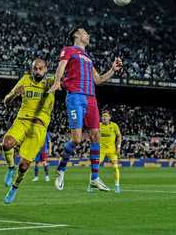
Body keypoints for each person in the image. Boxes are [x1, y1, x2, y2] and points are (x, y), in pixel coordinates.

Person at [48, 25, 122, 191]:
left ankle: (94, 178)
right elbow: (61, 66)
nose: (88, 35)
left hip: (91, 99)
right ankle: (61, 169)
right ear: (76, 34)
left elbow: (98, 80)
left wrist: (112, 70)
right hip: (75, 96)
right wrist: (57, 82)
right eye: (85, 32)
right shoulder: (69, 50)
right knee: (77, 139)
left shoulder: (88, 57)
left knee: (96, 136)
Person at [1, 58, 55, 204]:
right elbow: (6, 101)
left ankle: (14, 187)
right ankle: (10, 167)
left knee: (24, 166)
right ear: (31, 70)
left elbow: (67, 80)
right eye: (35, 68)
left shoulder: (51, 83)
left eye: (40, 68)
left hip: (39, 127)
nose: (37, 71)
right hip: (22, 121)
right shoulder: (24, 80)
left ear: (46, 70)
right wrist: (14, 95)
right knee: (6, 144)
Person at [99, 110, 122, 193]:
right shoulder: (98, 125)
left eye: (106, 116)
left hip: (112, 150)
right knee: (94, 166)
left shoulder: (114, 126)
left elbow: (119, 137)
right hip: (101, 150)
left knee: (115, 167)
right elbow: (93, 135)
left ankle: (117, 186)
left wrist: (118, 148)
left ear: (109, 118)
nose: (104, 117)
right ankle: (91, 184)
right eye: (103, 116)